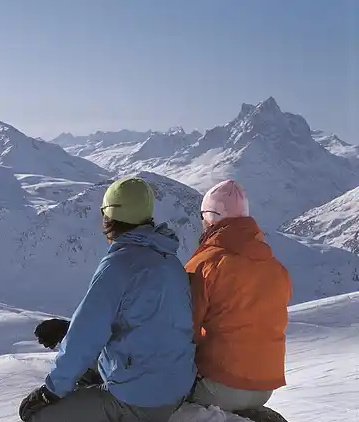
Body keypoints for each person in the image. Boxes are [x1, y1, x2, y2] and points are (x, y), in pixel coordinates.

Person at [19, 176, 196, 422]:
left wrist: (50, 392)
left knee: (37, 415)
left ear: (109, 216)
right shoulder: (169, 260)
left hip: (140, 399)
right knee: (89, 371)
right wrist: (70, 330)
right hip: (176, 387)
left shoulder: (120, 265)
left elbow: (86, 335)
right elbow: (147, 322)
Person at [185, 180, 292, 412]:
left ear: (210, 218)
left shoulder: (204, 265)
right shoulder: (276, 268)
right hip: (264, 388)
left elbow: (183, 329)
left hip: (219, 385)